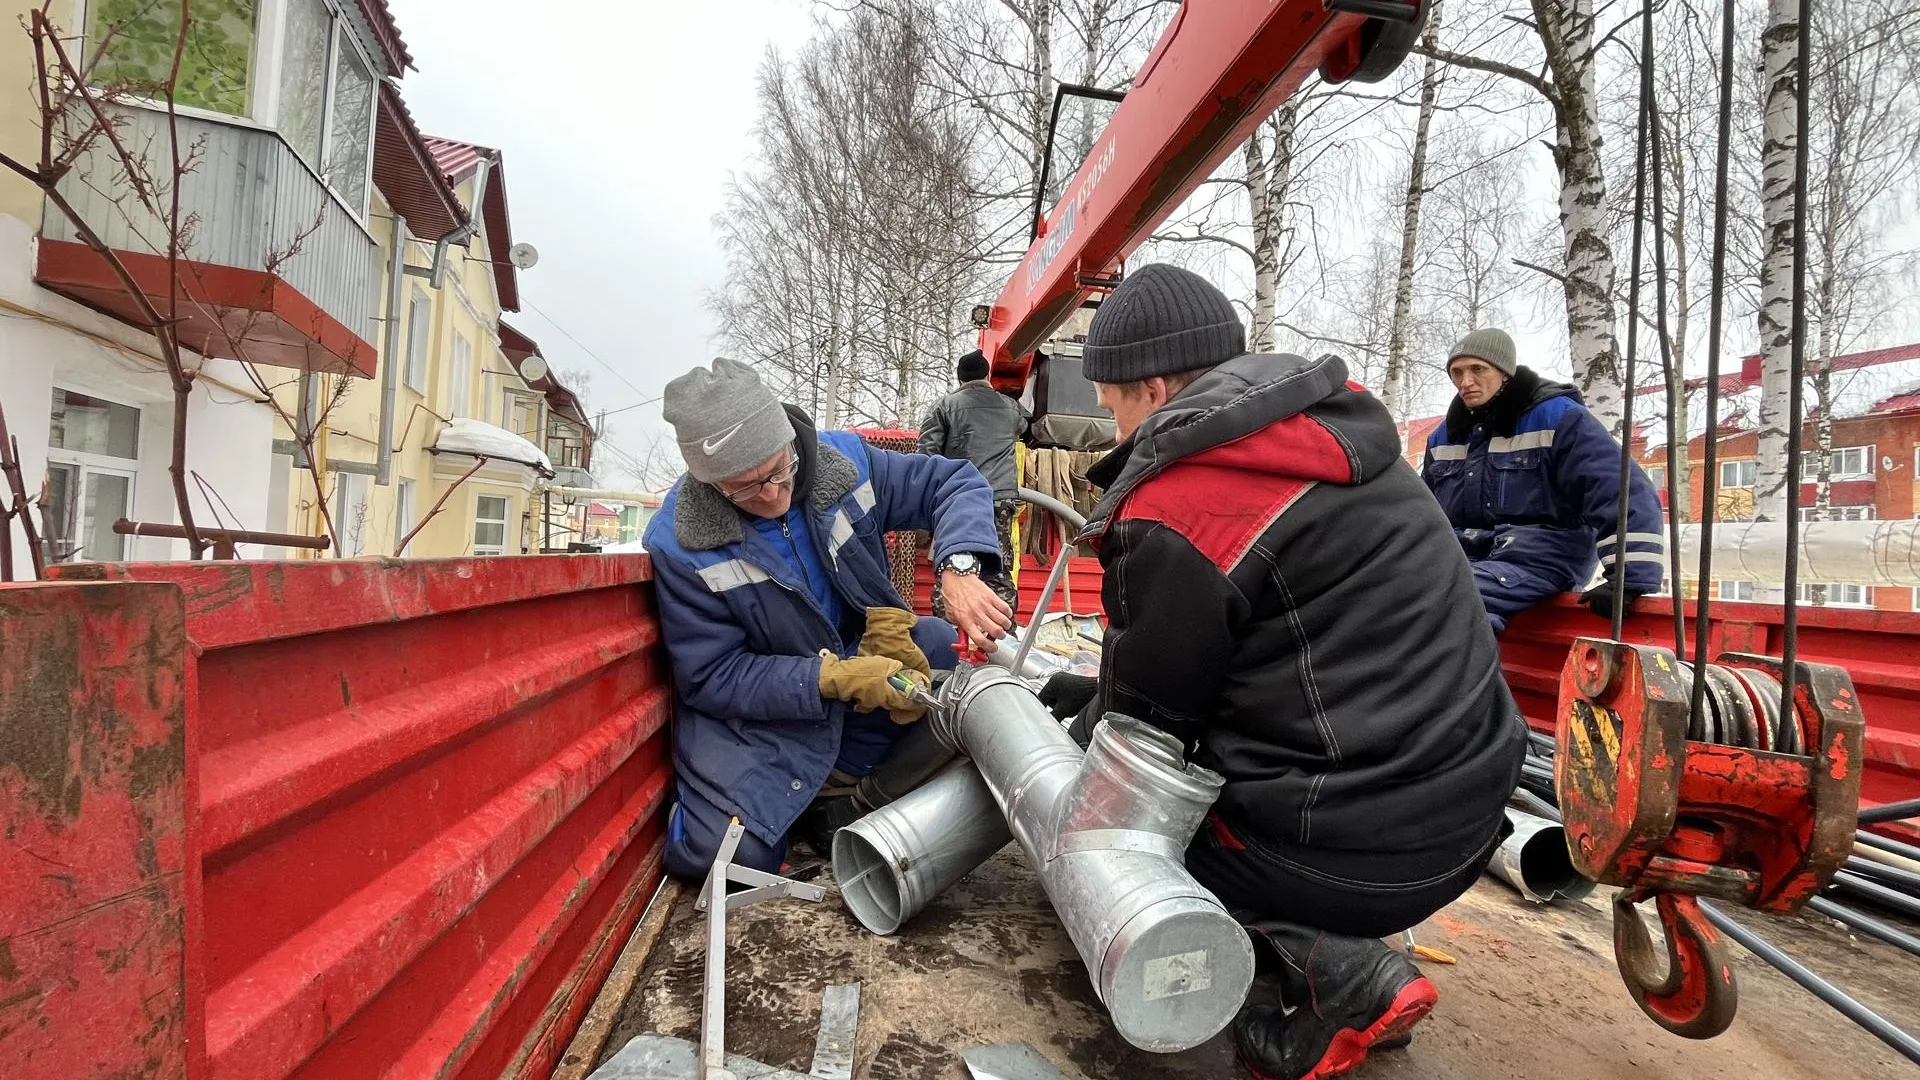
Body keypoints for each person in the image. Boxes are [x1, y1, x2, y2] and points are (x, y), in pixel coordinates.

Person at [1034, 265, 1525, 1080]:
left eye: (1112, 403)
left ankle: (1341, 973)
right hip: (1470, 813)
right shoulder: (1339, 435)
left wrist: (1092, 728)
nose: (1110, 428)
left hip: (1369, 854)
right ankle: (1335, 923)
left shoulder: (1180, 501)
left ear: (1152, 391)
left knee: (1122, 838)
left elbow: (1146, 741)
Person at [643, 358, 1015, 881]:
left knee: (935, 646)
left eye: (779, 468)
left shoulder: (844, 462)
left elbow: (954, 482)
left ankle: (844, 787)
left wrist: (957, 565)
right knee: (725, 861)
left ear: (788, 439)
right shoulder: (682, 544)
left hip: (860, 685)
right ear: (709, 485)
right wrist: (831, 678)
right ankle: (817, 792)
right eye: (746, 488)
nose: (772, 494)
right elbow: (712, 676)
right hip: (771, 716)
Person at [1421, 328, 1666, 635]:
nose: (1465, 382)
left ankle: (1467, 682)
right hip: (1465, 561)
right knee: (1384, 595)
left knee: (1448, 599)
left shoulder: (1557, 418)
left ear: (1505, 373)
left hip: (1541, 559)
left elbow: (1618, 487)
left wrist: (1629, 579)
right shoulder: (1445, 437)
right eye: (1457, 372)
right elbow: (1422, 515)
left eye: (1477, 369)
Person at [919, 349, 1029, 612]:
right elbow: (1025, 428)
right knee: (1000, 573)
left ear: (960, 378)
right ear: (987, 375)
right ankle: (1002, 645)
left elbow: (926, 456)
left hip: (959, 500)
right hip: (999, 498)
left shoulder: (943, 407)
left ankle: (947, 644)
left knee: (953, 570)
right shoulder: (1010, 407)